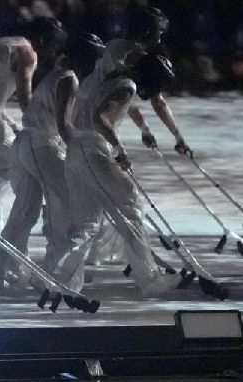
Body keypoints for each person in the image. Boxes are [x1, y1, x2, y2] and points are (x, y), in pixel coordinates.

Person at [0, 33, 106, 292]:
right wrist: (79, 150)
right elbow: (63, 124)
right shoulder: (68, 79)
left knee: (24, 213)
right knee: (68, 207)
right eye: (93, 58)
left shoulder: (54, 73)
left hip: (24, 145)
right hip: (42, 147)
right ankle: (54, 272)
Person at [58, 53, 181, 296]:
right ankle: (150, 279)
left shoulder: (112, 79)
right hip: (95, 150)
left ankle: (66, 280)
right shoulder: (126, 86)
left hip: (75, 150)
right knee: (131, 209)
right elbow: (100, 118)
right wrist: (119, 149)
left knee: (86, 223)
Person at [78, 7, 193, 265]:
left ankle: (119, 255)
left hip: (87, 121)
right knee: (126, 199)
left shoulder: (114, 46)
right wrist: (178, 137)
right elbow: (142, 97)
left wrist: (144, 129)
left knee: (102, 198)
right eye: (159, 33)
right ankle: (142, 263)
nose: (160, 39)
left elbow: (123, 98)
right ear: (149, 31)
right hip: (95, 129)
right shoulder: (135, 56)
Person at [0, 17, 67, 234]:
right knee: (15, 163)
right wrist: (39, 127)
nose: (52, 51)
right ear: (43, 39)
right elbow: (23, 94)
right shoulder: (28, 53)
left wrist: (13, 124)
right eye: (52, 44)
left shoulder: (6, 43)